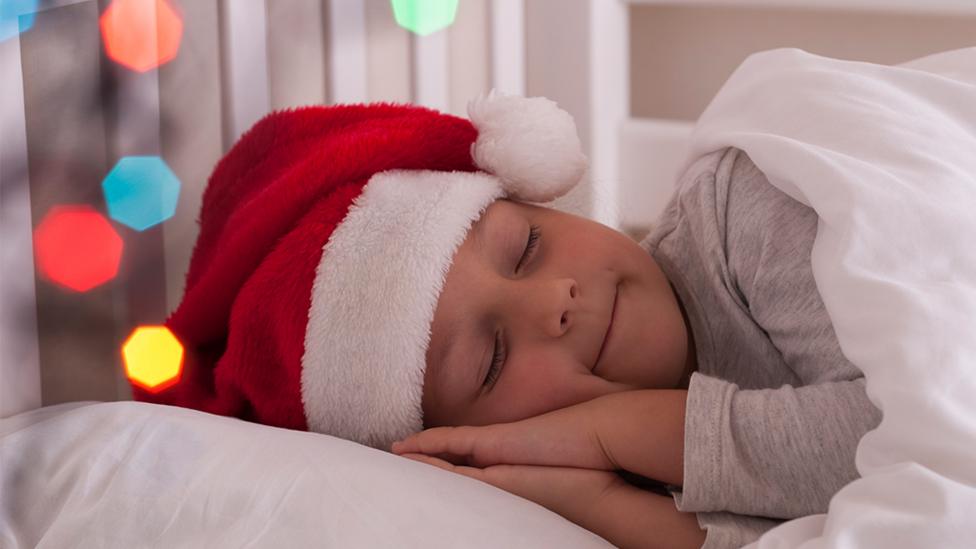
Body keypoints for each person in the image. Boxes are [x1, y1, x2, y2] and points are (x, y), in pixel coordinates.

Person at [131, 92, 881, 549]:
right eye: (491, 360)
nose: (551, 302)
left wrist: (605, 431)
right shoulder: (615, 487)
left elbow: (899, 437)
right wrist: (597, 501)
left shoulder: (745, 206)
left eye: (526, 247)